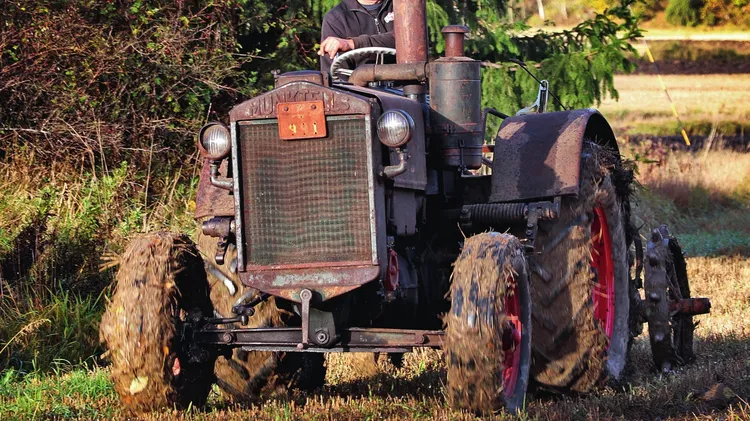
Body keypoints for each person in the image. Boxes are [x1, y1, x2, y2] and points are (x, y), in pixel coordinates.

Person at [318, 0, 395, 75]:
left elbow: (399, 39)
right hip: (361, 83)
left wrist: (353, 44)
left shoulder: (399, 5)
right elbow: (335, 74)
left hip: (402, 79)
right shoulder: (335, 19)